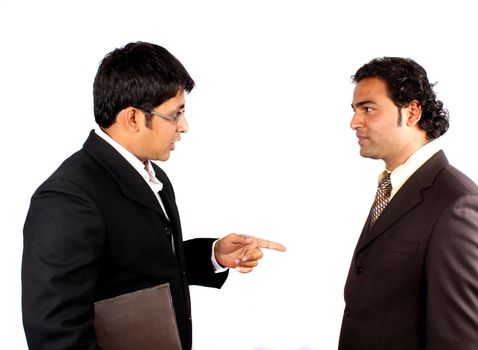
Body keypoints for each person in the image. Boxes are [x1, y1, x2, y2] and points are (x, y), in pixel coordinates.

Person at [22, 41, 286, 350]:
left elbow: (135, 264)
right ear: (133, 118)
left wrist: (213, 255)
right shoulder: (68, 197)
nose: (184, 127)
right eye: (175, 115)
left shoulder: (153, 175)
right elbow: (54, 334)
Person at [339, 57, 478, 350]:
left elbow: (464, 342)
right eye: (354, 110)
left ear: (411, 112)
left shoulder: (460, 206)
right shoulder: (392, 186)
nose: (354, 122)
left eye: (368, 109)